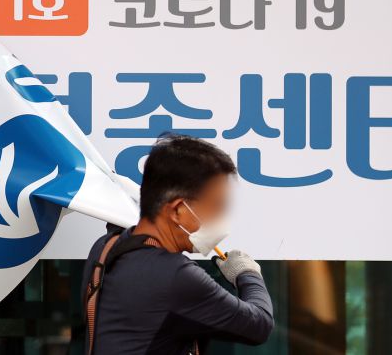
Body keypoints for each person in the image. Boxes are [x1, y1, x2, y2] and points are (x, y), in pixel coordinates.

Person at [81, 134, 274, 355]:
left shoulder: (106, 246)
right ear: (178, 210)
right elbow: (259, 324)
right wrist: (248, 274)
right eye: (216, 206)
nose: (221, 219)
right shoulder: (176, 276)